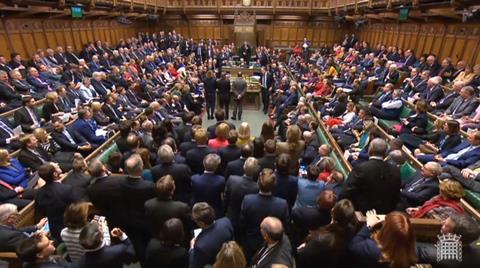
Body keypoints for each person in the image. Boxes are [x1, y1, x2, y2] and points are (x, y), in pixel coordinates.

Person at [340, 138, 401, 214]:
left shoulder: (361, 168)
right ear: (385, 153)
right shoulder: (395, 170)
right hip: (385, 215)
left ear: (370, 150)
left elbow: (346, 193)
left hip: (361, 214)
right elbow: (396, 197)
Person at [240, 168, 290, 260]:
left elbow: (242, 223)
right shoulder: (282, 204)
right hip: (272, 247)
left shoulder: (247, 200)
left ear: (258, 183)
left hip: (251, 243)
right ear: (274, 184)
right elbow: (285, 227)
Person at [349, 211, 416, 268]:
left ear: (387, 231)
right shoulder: (408, 251)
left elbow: (353, 246)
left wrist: (368, 225)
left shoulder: (372, 249)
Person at [35, 163, 80, 242]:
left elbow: (41, 213)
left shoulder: (39, 193)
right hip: (73, 226)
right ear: (55, 174)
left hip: (55, 231)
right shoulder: (66, 189)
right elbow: (78, 206)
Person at [189, 202, 234, 268]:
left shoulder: (200, 246)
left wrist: (192, 249)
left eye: (195, 221)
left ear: (201, 223)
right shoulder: (226, 222)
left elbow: (196, 265)